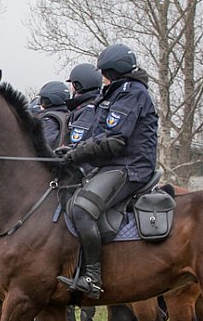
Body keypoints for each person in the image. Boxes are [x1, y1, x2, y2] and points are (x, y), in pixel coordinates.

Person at [57, 44, 158, 300]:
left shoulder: (131, 93)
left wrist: (77, 154)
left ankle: (92, 276)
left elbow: (115, 141)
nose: (101, 77)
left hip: (130, 167)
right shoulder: (113, 94)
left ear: (114, 71)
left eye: (104, 72)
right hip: (113, 165)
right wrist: (70, 149)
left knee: (82, 209)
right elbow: (97, 135)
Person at [65, 62, 104, 321]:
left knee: (78, 213)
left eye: (72, 84)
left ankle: (92, 272)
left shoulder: (88, 113)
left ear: (78, 86)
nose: (70, 89)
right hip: (80, 176)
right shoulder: (79, 111)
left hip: (88, 179)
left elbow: (82, 151)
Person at [36, 80, 71, 148]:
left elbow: (42, 148)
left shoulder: (49, 120)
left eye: (42, 100)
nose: (40, 104)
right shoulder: (68, 115)